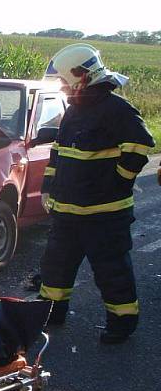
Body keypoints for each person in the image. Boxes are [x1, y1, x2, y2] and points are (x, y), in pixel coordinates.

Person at [39, 43, 154, 344]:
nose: (62, 86)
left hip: (105, 216)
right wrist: (48, 188)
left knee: (111, 272)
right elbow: (58, 153)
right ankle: (51, 313)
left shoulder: (116, 109)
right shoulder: (74, 111)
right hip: (67, 213)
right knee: (55, 267)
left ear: (81, 76)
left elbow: (140, 145)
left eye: (65, 80)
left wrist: (118, 182)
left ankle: (122, 324)